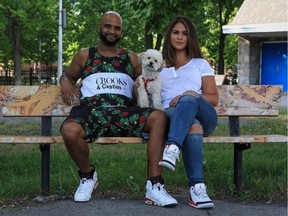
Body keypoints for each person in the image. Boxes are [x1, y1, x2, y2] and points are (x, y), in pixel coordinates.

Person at [60, 11, 177, 207]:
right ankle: (88, 176)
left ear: (121, 32)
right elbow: (68, 76)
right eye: (108, 26)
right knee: (69, 130)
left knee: (159, 118)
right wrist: (64, 82)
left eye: (117, 28)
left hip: (124, 113)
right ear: (100, 28)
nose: (112, 31)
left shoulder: (130, 57)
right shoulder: (84, 55)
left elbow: (149, 78)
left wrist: (141, 87)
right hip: (91, 112)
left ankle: (155, 185)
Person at [158, 16, 219, 209]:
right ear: (169, 35)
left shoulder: (200, 64)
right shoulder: (159, 66)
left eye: (184, 33)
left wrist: (188, 95)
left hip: (204, 115)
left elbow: (213, 98)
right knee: (193, 126)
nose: (179, 37)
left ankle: (172, 148)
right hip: (172, 116)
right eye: (176, 32)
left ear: (190, 37)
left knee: (190, 97)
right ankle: (197, 189)